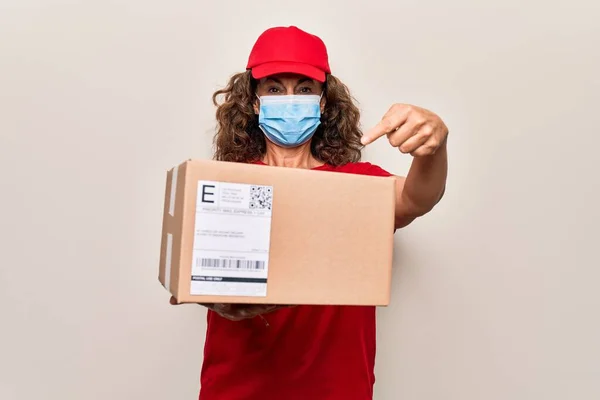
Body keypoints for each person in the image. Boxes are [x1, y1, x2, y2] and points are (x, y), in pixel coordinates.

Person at [170, 26, 449, 400]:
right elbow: (198, 270)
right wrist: (213, 295)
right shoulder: (226, 186)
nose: (290, 100)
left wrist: (433, 147)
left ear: (322, 102)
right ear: (253, 103)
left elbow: (417, 198)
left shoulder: (357, 183)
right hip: (236, 389)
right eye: (274, 89)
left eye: (304, 89)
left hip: (337, 390)